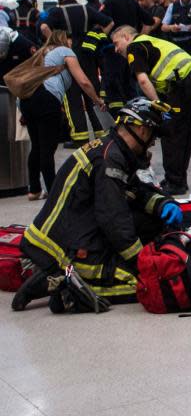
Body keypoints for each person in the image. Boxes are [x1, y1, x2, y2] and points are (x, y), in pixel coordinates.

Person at [12, 98, 182, 312]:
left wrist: (162, 205)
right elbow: (114, 219)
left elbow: (134, 190)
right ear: (141, 129)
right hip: (64, 248)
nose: (152, 144)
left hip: (71, 233)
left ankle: (60, 277)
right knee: (142, 285)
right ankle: (64, 288)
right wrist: (141, 262)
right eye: (152, 137)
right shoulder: (109, 159)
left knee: (149, 223)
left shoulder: (112, 149)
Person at [112, 26, 191, 196]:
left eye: (116, 43)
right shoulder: (150, 41)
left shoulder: (135, 47)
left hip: (184, 85)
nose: (116, 49)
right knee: (185, 133)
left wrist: (157, 104)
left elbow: (142, 80)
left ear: (127, 37)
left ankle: (175, 182)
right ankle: (178, 179)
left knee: (170, 133)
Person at [18, 28, 105, 201]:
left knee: (36, 146)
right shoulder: (65, 51)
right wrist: (97, 99)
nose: (73, 43)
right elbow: (83, 81)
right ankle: (53, 192)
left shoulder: (42, 53)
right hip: (46, 99)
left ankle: (34, 190)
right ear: (65, 39)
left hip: (27, 100)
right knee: (47, 148)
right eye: (71, 39)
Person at [43, 0, 113, 145]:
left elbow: (44, 28)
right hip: (88, 56)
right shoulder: (86, 9)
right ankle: (103, 133)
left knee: (72, 97)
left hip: (68, 58)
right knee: (92, 93)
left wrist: (57, 45)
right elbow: (109, 22)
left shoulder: (56, 12)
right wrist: (95, 39)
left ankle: (79, 138)